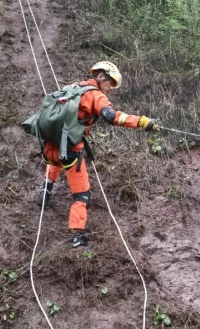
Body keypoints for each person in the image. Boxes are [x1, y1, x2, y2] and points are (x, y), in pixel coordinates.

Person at [36, 61, 160, 248]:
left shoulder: (72, 88)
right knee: (82, 194)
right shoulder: (96, 95)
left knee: (58, 157)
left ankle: (46, 188)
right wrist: (142, 121)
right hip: (70, 152)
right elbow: (112, 117)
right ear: (100, 76)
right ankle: (77, 236)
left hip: (49, 146)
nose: (110, 88)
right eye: (110, 83)